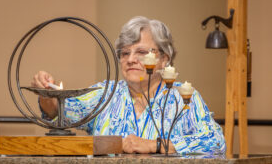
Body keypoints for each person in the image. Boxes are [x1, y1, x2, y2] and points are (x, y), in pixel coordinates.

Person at [32, 16, 225, 154]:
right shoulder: (105, 94)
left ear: (164, 59)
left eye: (141, 52)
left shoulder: (182, 96)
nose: (131, 59)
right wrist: (46, 93)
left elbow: (215, 142)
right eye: (124, 53)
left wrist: (156, 145)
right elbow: (59, 111)